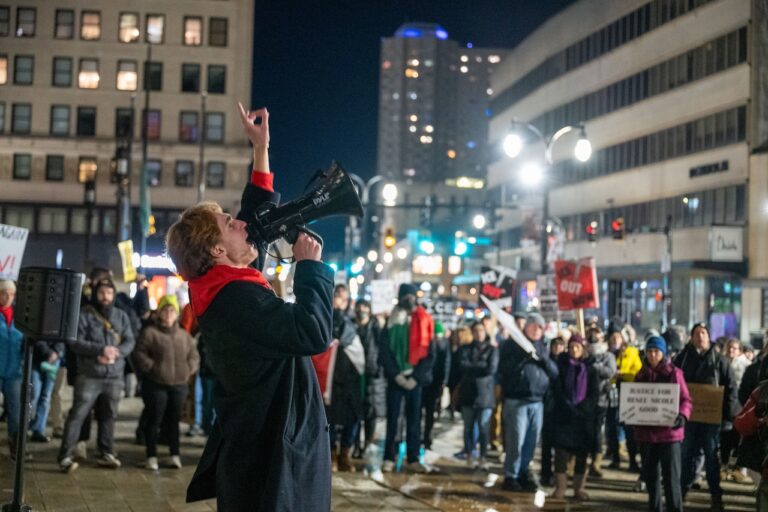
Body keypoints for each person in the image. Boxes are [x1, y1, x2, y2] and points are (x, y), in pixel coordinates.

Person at [169, 104, 334, 511]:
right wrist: (310, 270)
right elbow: (311, 332)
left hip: (267, 443)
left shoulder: (223, 284)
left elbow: (254, 213)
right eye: (228, 223)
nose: (241, 223)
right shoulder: (235, 298)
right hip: (274, 450)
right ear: (217, 248)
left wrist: (260, 149)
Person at [58, 278, 135, 472]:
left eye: (109, 293)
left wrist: (116, 353)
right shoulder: (83, 315)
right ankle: (65, 455)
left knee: (109, 415)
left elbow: (129, 340)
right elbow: (74, 342)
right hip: (89, 375)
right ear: (95, 294)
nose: (105, 297)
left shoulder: (121, 316)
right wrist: (101, 350)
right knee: (78, 414)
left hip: (114, 375)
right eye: (102, 293)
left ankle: (106, 452)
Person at [674, 322, 740, 511]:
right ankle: (681, 493)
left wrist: (727, 417)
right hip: (689, 418)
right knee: (687, 455)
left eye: (703, 332)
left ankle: (716, 496)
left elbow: (731, 389)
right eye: (696, 333)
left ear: (708, 336)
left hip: (712, 421)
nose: (700, 336)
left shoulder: (720, 360)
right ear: (692, 337)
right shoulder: (683, 358)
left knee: (712, 458)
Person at [132, 295, 200, 471]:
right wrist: (153, 368)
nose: (169, 314)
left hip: (179, 385)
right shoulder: (150, 333)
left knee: (174, 421)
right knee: (154, 420)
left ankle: (174, 454)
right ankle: (151, 455)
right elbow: (139, 354)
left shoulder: (183, 336)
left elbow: (193, 356)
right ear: (159, 312)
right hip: (156, 384)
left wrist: (187, 370)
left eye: (172, 310)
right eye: (165, 310)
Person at [378, 283, 435, 474]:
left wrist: (416, 377)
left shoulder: (425, 320)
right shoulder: (391, 321)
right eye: (405, 296)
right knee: (393, 419)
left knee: (414, 419)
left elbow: (429, 353)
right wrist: (396, 375)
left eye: (411, 296)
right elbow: (384, 351)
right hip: (396, 379)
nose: (409, 300)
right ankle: (389, 456)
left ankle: (413, 458)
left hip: (415, 380)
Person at [499, 313, 558, 492]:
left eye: (540, 327)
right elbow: (504, 370)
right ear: (526, 327)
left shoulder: (543, 347)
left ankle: (523, 472)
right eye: (533, 326)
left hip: (537, 402)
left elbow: (554, 373)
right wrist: (522, 356)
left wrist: (543, 359)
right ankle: (511, 475)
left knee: (531, 442)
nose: (536, 330)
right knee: (515, 441)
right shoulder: (512, 345)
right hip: (517, 400)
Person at [634, 336, 691, 512]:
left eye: (656, 351)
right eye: (649, 351)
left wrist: (683, 415)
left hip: (669, 435)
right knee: (652, 481)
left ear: (663, 353)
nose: (652, 355)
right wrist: (628, 415)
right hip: (647, 435)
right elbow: (634, 400)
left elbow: (686, 399)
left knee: (672, 480)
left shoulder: (674, 373)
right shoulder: (641, 374)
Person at [312, 286, 364, 472]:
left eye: (344, 298)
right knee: (330, 419)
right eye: (338, 298)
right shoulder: (324, 319)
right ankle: (332, 453)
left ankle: (345, 454)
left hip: (349, 380)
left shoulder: (352, 323)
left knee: (352, 418)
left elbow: (358, 349)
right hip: (330, 382)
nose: (341, 302)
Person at [550, 334, 598, 501]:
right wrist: (567, 406)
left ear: (583, 349)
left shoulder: (591, 369)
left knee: (581, 456)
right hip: (564, 417)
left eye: (577, 347)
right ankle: (560, 488)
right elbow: (557, 389)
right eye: (571, 347)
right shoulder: (562, 366)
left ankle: (579, 488)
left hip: (583, 419)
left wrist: (582, 408)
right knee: (561, 455)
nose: (574, 350)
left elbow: (594, 394)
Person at [458, 320, 498, 471]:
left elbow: (491, 369)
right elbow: (462, 366)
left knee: (483, 428)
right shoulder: (465, 349)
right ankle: (469, 454)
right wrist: (481, 365)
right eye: (476, 330)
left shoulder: (492, 350)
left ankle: (483, 456)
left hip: (485, 396)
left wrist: (473, 367)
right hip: (468, 394)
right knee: (468, 427)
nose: (479, 333)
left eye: (481, 330)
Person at [607, 326, 643, 470]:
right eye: (613, 337)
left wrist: (623, 374)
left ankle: (633, 461)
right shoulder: (607, 354)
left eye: (618, 336)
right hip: (612, 395)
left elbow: (638, 372)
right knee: (612, 429)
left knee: (629, 429)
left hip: (628, 394)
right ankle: (615, 458)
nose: (615, 339)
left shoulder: (632, 352)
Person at [354, 299, 385, 451]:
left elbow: (382, 348)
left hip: (372, 374)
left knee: (370, 412)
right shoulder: (352, 326)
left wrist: (378, 369)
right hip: (355, 373)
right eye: (359, 306)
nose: (362, 309)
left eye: (365, 306)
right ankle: (355, 445)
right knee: (355, 411)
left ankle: (367, 444)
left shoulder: (376, 327)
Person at [587, 328, 617, 478]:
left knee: (597, 433)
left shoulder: (608, 356)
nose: (594, 340)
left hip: (601, 400)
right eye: (591, 338)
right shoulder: (586, 354)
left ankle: (596, 462)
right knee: (586, 431)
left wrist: (596, 366)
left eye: (596, 338)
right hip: (585, 400)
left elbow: (610, 372)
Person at [721, 338, 751, 483]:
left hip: (741, 407)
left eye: (734, 348)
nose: (731, 350)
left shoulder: (746, 365)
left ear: (739, 350)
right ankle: (724, 466)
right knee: (726, 438)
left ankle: (740, 469)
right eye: (729, 348)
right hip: (725, 408)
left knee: (740, 439)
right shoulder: (722, 362)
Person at [0, 279, 23, 459]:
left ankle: (15, 446)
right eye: (3, 293)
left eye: (11, 293)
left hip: (14, 372)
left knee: (15, 413)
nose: (8, 297)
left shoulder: (21, 317)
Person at [540, 336, 566, 486]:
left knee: (560, 446)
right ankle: (546, 473)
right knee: (547, 444)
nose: (557, 348)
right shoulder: (545, 361)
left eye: (560, 345)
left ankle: (559, 474)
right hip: (547, 406)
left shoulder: (566, 363)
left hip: (561, 408)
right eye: (555, 345)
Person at [422, 322, 450, 451]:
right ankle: (426, 438)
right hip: (429, 382)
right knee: (428, 413)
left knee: (428, 412)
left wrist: (443, 381)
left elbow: (445, 364)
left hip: (431, 383)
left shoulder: (441, 345)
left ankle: (426, 438)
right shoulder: (442, 344)